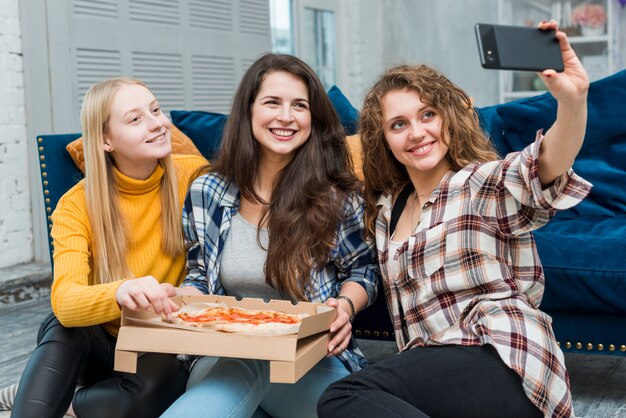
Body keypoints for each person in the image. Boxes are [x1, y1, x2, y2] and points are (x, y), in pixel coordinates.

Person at [318, 21, 591, 418]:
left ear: (447, 118)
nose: (417, 132)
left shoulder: (478, 182)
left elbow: (544, 164)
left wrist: (573, 103)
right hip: (439, 374)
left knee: (343, 397)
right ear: (384, 141)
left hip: (502, 355)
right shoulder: (385, 211)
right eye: (399, 124)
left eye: (427, 114)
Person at [161, 53, 379, 418]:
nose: (286, 116)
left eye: (300, 105)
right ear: (248, 111)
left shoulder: (335, 197)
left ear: (313, 118)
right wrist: (177, 298)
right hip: (222, 354)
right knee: (252, 354)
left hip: (315, 357)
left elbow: (364, 271)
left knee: (268, 360)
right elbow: (199, 277)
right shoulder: (208, 190)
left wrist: (343, 307)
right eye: (272, 102)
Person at [7, 77, 206, 418]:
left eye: (156, 110)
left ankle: (58, 398)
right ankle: (37, 401)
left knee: (158, 392)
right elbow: (65, 301)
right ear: (105, 140)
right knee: (64, 327)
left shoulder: (194, 176)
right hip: (96, 343)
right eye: (135, 118)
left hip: (157, 342)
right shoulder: (75, 205)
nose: (157, 123)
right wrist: (122, 290)